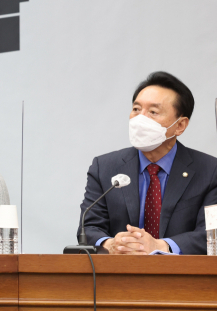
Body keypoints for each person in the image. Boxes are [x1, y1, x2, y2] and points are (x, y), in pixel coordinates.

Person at [78, 71, 217, 255]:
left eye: (153, 112)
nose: (140, 119)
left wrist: (160, 246)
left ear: (180, 125)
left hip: (180, 272)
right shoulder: (104, 167)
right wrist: (112, 244)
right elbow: (88, 227)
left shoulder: (210, 171)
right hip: (119, 271)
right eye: (136, 109)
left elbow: (211, 235)